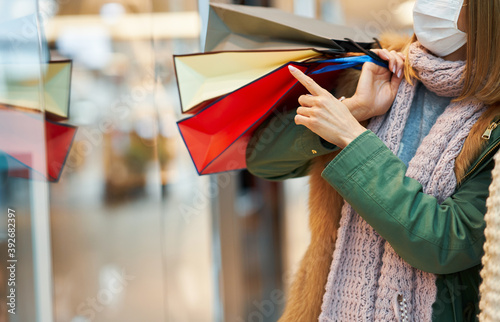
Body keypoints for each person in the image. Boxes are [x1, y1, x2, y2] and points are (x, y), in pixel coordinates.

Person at [246, 0, 500, 321]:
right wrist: (349, 112)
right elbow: (262, 160)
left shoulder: (493, 123)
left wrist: (353, 138)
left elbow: (448, 242)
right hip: (326, 308)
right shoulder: (373, 66)